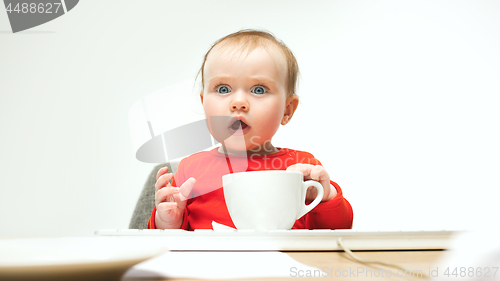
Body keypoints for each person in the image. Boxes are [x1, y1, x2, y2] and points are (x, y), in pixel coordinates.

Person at [148, 29, 353, 230]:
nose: (238, 102)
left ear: (287, 110)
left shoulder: (303, 167)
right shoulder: (189, 170)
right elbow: (167, 243)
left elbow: (339, 230)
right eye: (223, 89)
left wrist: (327, 197)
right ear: (204, 104)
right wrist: (168, 221)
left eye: (258, 90)